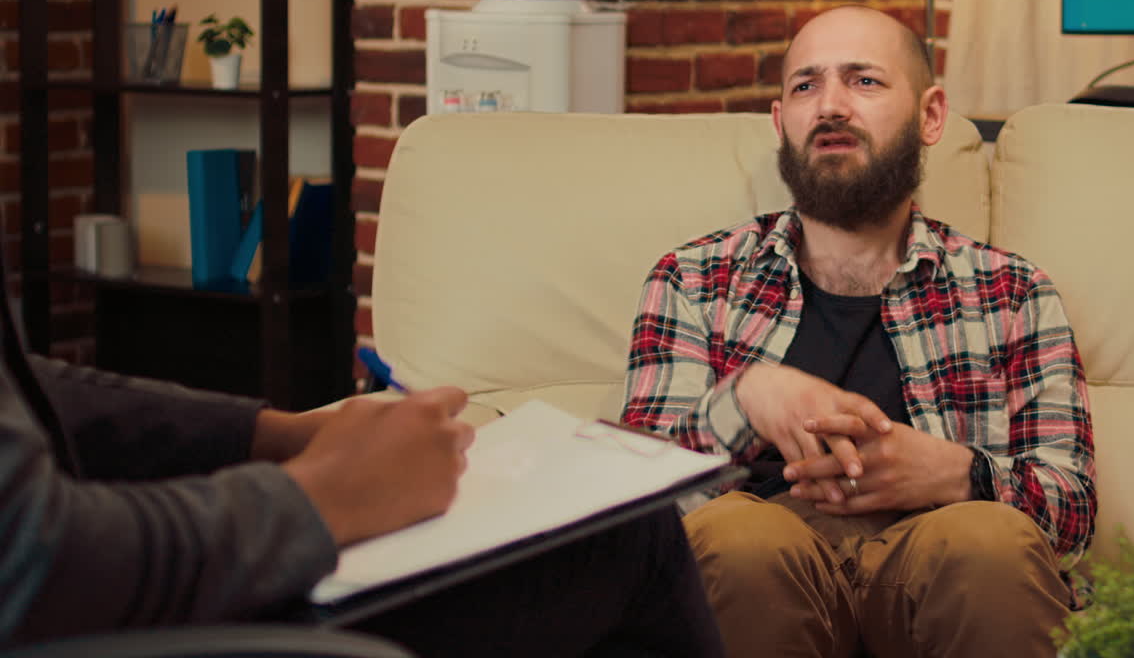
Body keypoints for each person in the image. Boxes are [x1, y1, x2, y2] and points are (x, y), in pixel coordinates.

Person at [622, 5, 1096, 658]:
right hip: (765, 558)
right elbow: (631, 518)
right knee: (736, 543)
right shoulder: (695, 279)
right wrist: (747, 398)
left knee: (991, 547)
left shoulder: (1012, 292)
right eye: (806, 85)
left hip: (938, 556)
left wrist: (961, 476)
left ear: (931, 115)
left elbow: (1071, 518)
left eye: (864, 81)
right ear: (780, 120)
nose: (830, 106)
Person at [0, 256, 723, 656]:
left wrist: (276, 434)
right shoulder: (697, 275)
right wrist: (326, 496)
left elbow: (34, 385)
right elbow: (31, 560)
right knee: (626, 541)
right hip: (89, 613)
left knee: (623, 523)